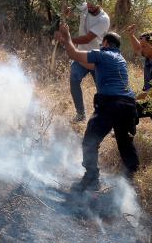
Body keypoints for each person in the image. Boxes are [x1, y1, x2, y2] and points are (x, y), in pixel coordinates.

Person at [55, 23, 139, 191]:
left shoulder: (103, 55)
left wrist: (67, 37)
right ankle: (130, 179)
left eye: (102, 44)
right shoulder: (119, 59)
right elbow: (86, 63)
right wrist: (66, 42)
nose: (101, 46)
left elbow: (73, 53)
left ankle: (91, 178)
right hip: (129, 106)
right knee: (125, 144)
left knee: (89, 142)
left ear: (106, 44)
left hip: (110, 104)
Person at [64, 0, 111, 122]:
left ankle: (109, 120)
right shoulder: (85, 7)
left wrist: (67, 39)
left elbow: (87, 38)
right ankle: (80, 114)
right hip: (81, 55)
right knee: (74, 79)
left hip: (97, 59)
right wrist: (67, 11)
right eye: (88, 2)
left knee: (103, 91)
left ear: (100, 3)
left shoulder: (104, 19)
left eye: (93, 3)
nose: (89, 5)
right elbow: (72, 12)